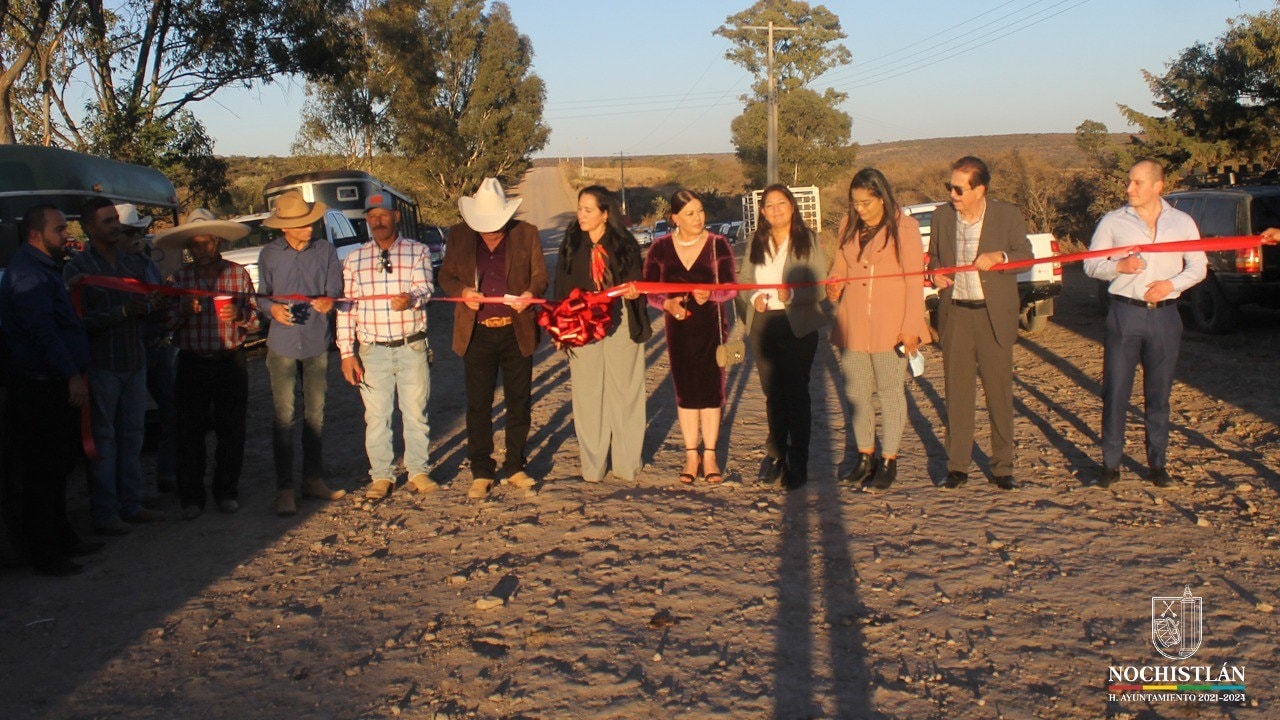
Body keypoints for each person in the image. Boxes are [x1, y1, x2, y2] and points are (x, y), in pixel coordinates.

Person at [1083, 160, 1206, 488]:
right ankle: (1110, 464)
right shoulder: (1113, 222)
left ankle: (1157, 464)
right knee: (1116, 390)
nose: (1129, 189)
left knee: (1159, 393)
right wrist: (1118, 267)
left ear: (1157, 186)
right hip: (1125, 313)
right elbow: (1091, 265)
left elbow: (1199, 265)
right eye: (1129, 182)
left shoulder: (1182, 222)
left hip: (1165, 315)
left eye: (1137, 183)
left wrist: (1173, 285)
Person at [0, 205, 102, 575]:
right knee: (42, 471)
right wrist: (71, 374)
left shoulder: (44, 270)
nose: (66, 235)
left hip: (52, 382)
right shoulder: (28, 275)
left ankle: (62, 538)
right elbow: (42, 333)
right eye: (59, 229)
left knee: (58, 465)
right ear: (35, 235)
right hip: (40, 387)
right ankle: (46, 553)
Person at [928, 156, 1032, 491]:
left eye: (958, 188)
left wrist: (1001, 258)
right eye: (950, 187)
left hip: (992, 317)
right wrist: (936, 273)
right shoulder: (943, 216)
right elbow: (934, 259)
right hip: (956, 314)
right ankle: (957, 465)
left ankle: (1002, 467)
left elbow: (1026, 256)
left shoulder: (1006, 215)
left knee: (999, 395)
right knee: (957, 395)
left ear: (979, 189)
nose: (952, 194)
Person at [439, 178, 548, 498]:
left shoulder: (527, 234)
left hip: (516, 331)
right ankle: (481, 470)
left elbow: (541, 275)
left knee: (519, 402)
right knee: (478, 404)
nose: (490, 230)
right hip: (476, 332)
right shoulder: (458, 236)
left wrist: (530, 293)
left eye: (495, 224)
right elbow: (445, 276)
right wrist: (461, 292)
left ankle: (515, 465)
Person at [65, 197, 166, 534]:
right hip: (102, 364)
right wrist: (123, 312)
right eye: (107, 221)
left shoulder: (131, 263)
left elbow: (151, 302)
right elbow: (77, 322)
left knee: (133, 436)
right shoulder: (77, 269)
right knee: (104, 441)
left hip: (134, 358)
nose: (115, 226)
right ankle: (106, 513)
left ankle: (131, 504)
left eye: (115, 220)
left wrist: (153, 304)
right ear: (90, 228)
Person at [827, 169, 928, 492]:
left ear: (882, 197)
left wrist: (911, 326)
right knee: (856, 394)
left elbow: (914, 280)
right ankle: (864, 455)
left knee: (889, 392)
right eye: (855, 203)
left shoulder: (905, 228)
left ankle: (889, 459)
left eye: (866, 203)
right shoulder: (848, 225)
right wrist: (834, 283)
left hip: (891, 325)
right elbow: (841, 265)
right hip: (853, 322)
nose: (860, 209)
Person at [154, 209, 258, 519]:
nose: (200, 250)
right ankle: (192, 497)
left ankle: (226, 491)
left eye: (206, 243)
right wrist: (183, 311)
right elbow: (166, 324)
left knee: (232, 429)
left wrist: (239, 317)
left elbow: (254, 318)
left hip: (230, 360)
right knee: (189, 431)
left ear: (218, 242)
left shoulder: (238, 274)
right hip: (192, 361)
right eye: (195, 245)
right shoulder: (179, 279)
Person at [337, 193, 434, 501]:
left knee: (415, 412)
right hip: (372, 349)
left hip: (411, 345)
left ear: (396, 217)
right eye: (372, 216)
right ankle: (382, 475)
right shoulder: (354, 258)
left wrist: (411, 299)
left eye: (383, 215)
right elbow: (346, 308)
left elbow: (426, 288)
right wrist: (346, 352)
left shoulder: (417, 251)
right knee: (377, 417)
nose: (377, 221)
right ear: (367, 220)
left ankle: (418, 470)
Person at [551, 185, 650, 484]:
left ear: (605, 214)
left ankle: (626, 463)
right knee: (588, 394)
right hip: (582, 324)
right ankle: (593, 467)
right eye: (579, 209)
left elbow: (637, 283)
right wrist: (561, 328)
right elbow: (561, 288)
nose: (581, 215)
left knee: (625, 393)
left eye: (588, 210)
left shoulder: (625, 244)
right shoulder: (570, 242)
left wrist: (634, 292)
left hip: (620, 320)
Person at [257, 191, 346, 516]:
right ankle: (285, 489)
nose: (309, 227)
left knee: (316, 415)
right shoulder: (269, 255)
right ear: (284, 228)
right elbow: (261, 295)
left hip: (315, 341)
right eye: (301, 223)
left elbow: (334, 289)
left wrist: (328, 301)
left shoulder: (325, 251)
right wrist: (271, 309)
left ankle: (312, 479)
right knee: (284, 417)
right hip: (281, 344)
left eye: (310, 221)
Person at [642, 189, 736, 484]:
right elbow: (649, 290)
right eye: (690, 213)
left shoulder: (718, 244)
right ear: (675, 218)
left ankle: (710, 455)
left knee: (710, 391)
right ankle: (690, 455)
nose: (699, 218)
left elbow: (732, 288)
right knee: (685, 392)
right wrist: (666, 303)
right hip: (678, 328)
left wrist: (712, 293)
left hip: (711, 326)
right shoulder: (659, 248)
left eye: (701, 211)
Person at [738, 184, 827, 489]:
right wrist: (753, 300)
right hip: (763, 324)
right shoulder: (755, 240)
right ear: (762, 212)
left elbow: (821, 287)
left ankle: (798, 461)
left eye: (781, 204)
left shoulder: (809, 241)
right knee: (773, 395)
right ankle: (776, 454)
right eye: (769, 205)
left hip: (797, 325)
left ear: (792, 206)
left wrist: (791, 296)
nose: (775, 210)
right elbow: (744, 281)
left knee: (796, 395)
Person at [116, 203, 178, 496]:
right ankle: (131, 492)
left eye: (139, 232)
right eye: (131, 232)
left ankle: (167, 473)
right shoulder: (114, 266)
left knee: (170, 411)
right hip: (130, 350)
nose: (137, 238)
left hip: (155, 345)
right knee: (128, 425)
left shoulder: (146, 262)